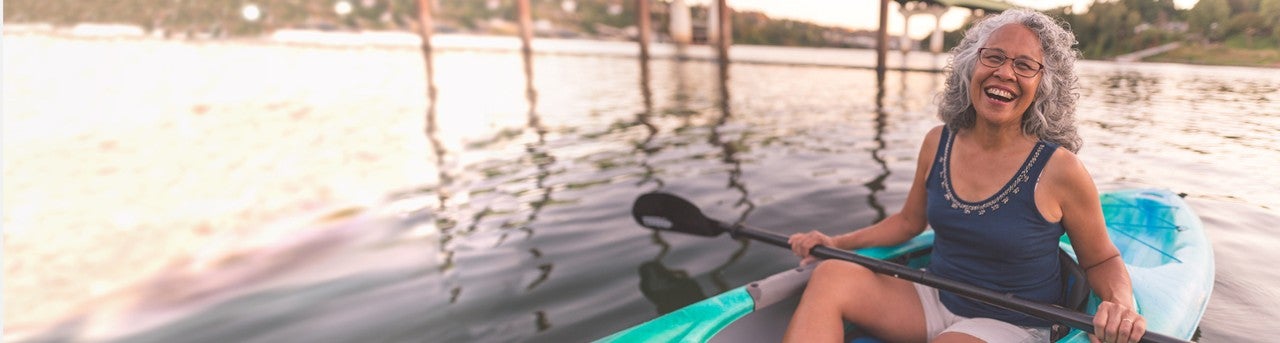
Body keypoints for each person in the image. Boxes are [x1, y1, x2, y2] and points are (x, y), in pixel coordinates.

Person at [784, 9, 1147, 343]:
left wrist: (1121, 305)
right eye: (994, 57)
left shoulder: (1060, 169)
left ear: (1044, 84)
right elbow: (909, 221)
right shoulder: (937, 142)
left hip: (1015, 322)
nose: (1005, 73)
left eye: (1024, 65)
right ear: (970, 65)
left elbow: (1101, 259)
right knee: (831, 276)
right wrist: (837, 243)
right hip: (936, 297)